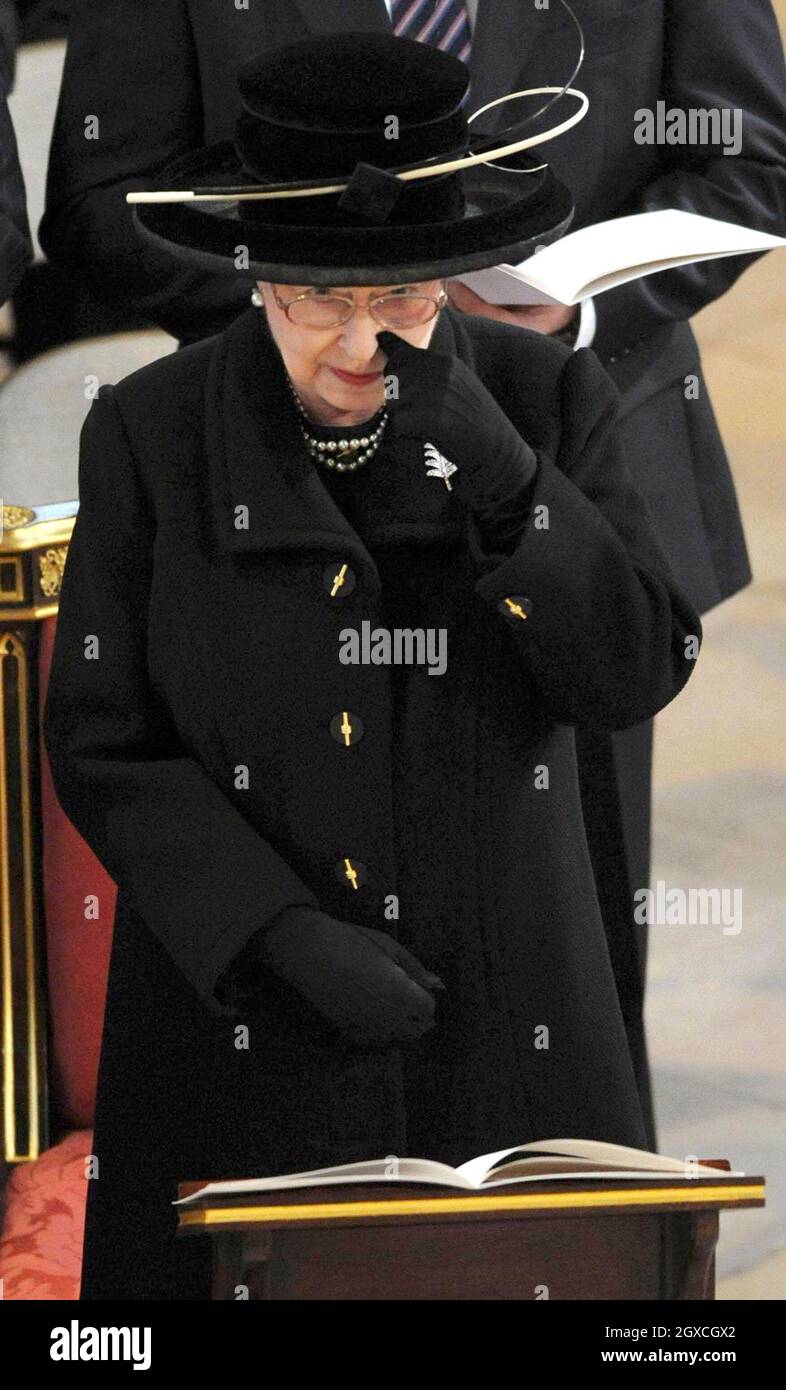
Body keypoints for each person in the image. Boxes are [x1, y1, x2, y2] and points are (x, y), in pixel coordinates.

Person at [39, 0, 786, 1152]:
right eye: (318, 299)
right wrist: (267, 928)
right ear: (261, 276)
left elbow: (630, 663)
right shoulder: (153, 434)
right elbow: (104, 738)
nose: (358, 346)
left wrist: (508, 475)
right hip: (242, 1050)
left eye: (397, 298)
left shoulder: (543, 406)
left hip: (502, 1032)